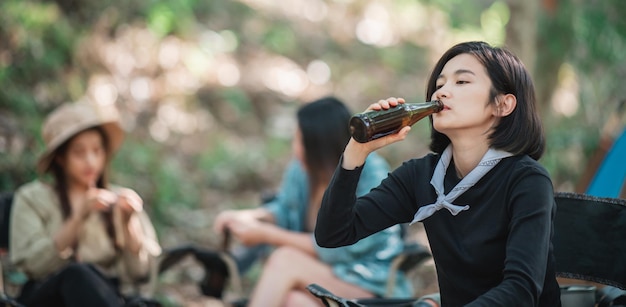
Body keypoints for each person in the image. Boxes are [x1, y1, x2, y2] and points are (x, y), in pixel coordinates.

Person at [315, 41, 562, 306]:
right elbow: (333, 234)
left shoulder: (527, 181)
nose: (441, 93)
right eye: (440, 84)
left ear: (502, 105)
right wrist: (356, 152)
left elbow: (521, 290)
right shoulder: (423, 176)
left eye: (462, 82)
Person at [213, 97, 412, 306]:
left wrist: (266, 234)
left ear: (319, 145)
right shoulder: (303, 170)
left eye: (299, 140)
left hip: (367, 284)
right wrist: (249, 216)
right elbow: (285, 207)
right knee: (295, 302)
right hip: (317, 275)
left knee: (285, 260)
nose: (295, 148)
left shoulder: (372, 175)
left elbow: (340, 248)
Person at [10, 100, 162, 307]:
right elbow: (34, 266)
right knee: (78, 275)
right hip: (49, 297)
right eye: (79, 153)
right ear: (61, 158)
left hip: (105, 296)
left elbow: (141, 274)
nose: (91, 161)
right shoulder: (32, 198)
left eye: (97, 151)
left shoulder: (117, 199)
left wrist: (129, 223)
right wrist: (78, 218)